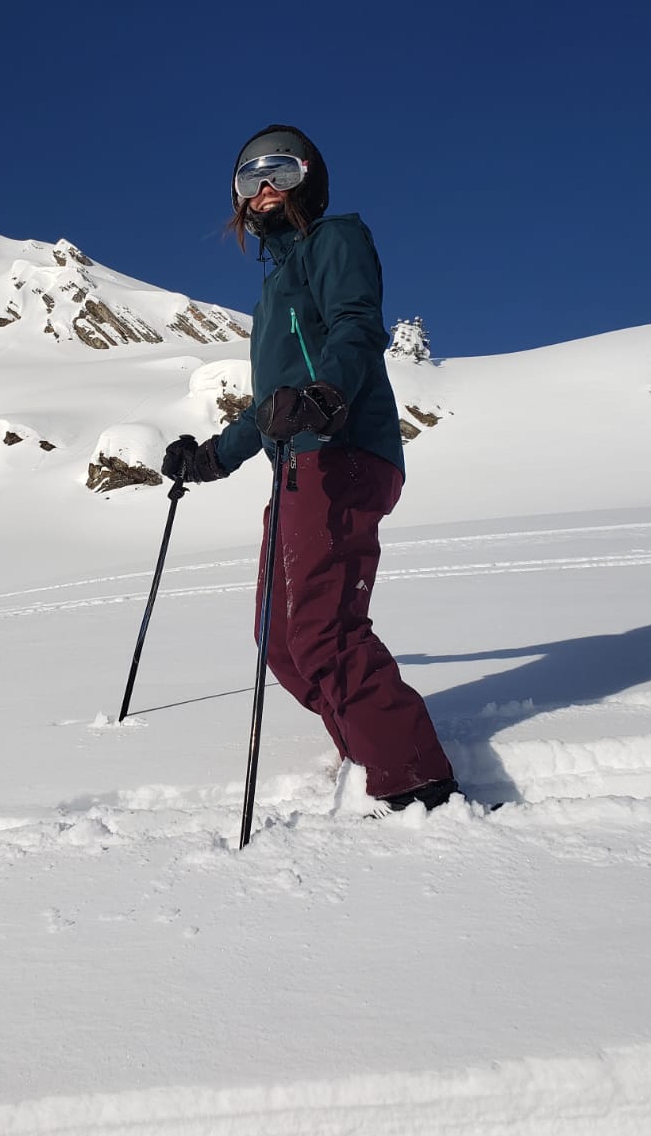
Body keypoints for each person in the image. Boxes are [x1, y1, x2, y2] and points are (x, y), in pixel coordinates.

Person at [162, 125, 456, 811]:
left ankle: (416, 781)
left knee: (323, 630)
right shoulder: (271, 301)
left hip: (343, 454)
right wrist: (210, 457)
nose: (265, 190)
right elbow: (271, 406)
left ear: (309, 180)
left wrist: (326, 394)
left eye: (281, 172)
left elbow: (357, 326)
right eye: (249, 179)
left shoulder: (336, 241)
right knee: (281, 640)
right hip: (295, 467)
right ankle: (369, 741)